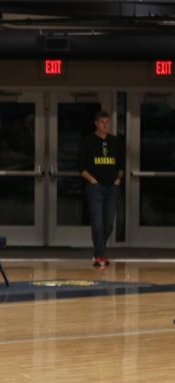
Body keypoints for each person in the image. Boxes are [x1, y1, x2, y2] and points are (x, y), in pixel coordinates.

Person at [79, 109, 123, 268]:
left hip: (112, 187)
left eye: (107, 122)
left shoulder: (115, 141)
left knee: (109, 223)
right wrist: (93, 181)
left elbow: (121, 164)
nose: (105, 125)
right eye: (102, 122)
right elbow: (81, 167)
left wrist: (118, 179)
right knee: (97, 223)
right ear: (96, 124)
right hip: (95, 187)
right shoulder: (88, 142)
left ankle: (99, 251)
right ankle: (100, 256)